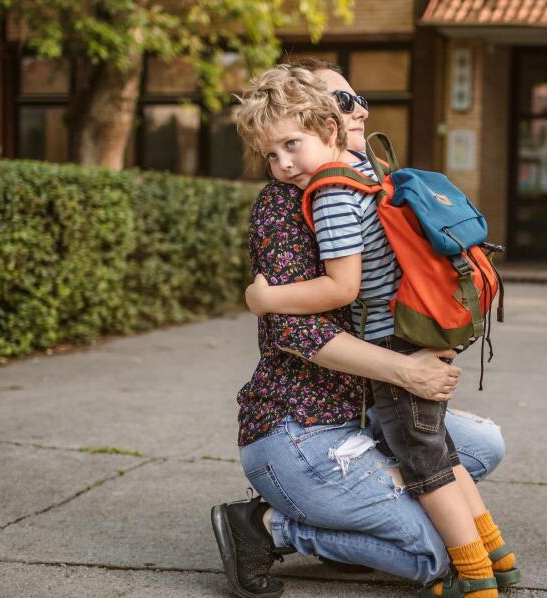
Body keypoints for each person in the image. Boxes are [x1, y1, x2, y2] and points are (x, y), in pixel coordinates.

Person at [211, 61, 511, 598]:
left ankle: (361, 513)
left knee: (480, 447)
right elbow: (297, 330)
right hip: (304, 426)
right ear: (322, 118)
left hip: (364, 411)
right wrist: (404, 369)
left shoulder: (369, 183)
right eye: (345, 101)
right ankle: (266, 527)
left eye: (359, 100)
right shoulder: (289, 204)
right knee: (437, 550)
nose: (361, 112)